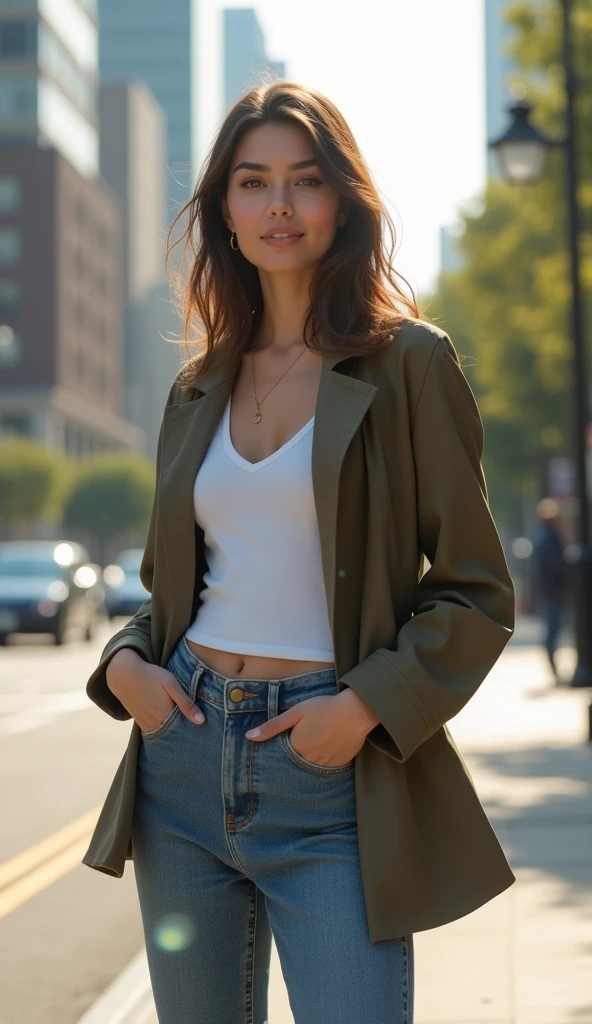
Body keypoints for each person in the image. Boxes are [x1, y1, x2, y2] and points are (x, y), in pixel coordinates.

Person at [82, 82, 516, 1024]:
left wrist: (362, 708)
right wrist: (124, 666)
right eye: (253, 181)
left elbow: (477, 592)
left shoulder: (409, 364)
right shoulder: (198, 387)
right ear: (224, 211)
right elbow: (168, 594)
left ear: (341, 202)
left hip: (330, 776)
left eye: (304, 181)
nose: (278, 205)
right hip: (183, 767)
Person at [531, 498, 568, 682]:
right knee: (553, 630)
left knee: (553, 629)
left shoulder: (541, 537)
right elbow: (556, 566)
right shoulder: (549, 539)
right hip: (553, 591)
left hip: (548, 591)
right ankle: (553, 667)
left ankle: (554, 666)